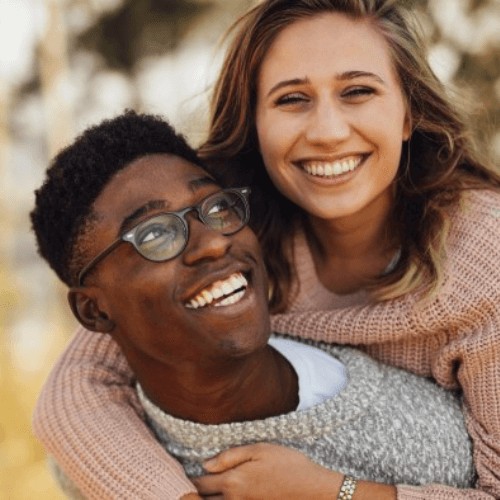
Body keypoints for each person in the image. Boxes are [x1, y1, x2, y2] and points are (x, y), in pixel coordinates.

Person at [33, 0, 500, 498]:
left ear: (408, 114)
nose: (327, 132)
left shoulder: (485, 258)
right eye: (292, 99)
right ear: (255, 125)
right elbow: (77, 391)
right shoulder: (226, 220)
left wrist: (329, 491)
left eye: (358, 91)